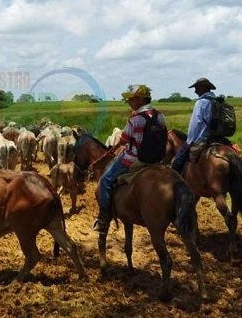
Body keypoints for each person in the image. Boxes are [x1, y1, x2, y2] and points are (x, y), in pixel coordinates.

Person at [93, 84, 166, 234]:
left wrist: (115, 147)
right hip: (157, 160)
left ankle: (104, 219)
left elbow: (124, 139)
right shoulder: (160, 115)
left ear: (140, 100)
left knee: (106, 181)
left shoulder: (136, 118)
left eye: (132, 99)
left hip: (133, 159)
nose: (130, 102)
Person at [171, 77, 217, 174]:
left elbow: (195, 124)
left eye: (197, 88)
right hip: (217, 137)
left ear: (204, 88)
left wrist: (189, 141)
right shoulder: (217, 101)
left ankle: (176, 182)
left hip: (203, 138)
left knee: (178, 160)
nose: (195, 91)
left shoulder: (201, 102)